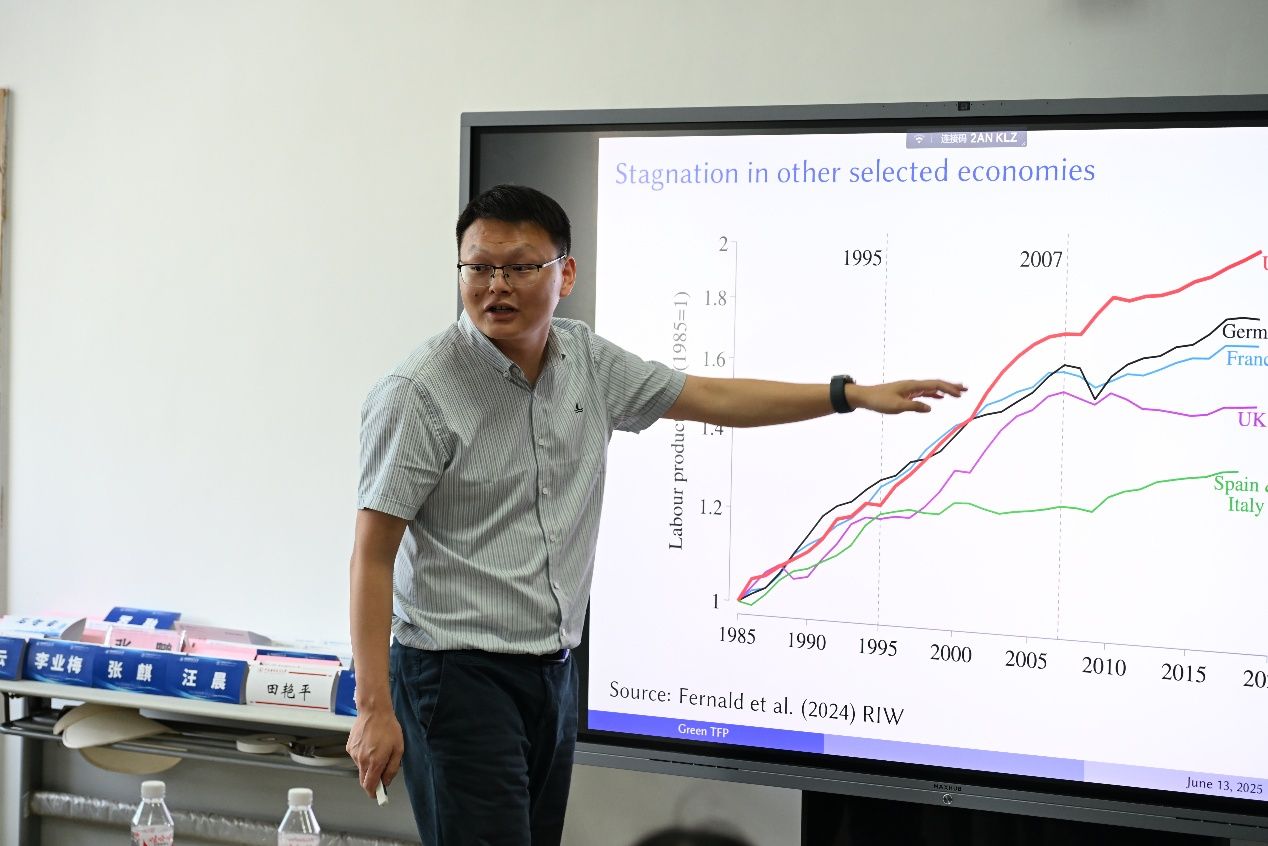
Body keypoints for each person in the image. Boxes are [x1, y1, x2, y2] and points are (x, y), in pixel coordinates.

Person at [346, 184, 966, 846]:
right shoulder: (419, 393)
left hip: (552, 671)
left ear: (565, 273)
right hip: (455, 674)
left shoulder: (586, 361)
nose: (496, 285)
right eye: (479, 267)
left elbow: (713, 396)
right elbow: (372, 555)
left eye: (520, 266)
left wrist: (848, 395)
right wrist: (373, 706)